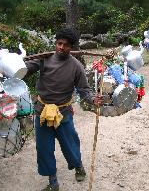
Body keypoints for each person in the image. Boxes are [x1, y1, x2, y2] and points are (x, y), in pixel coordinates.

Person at [25, 28, 103, 191]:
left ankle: (78, 165)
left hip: (63, 112)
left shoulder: (76, 66)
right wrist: (13, 65)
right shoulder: (44, 59)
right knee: (44, 147)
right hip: (42, 111)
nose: (61, 47)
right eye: (59, 43)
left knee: (70, 143)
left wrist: (93, 99)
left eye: (65, 45)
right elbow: (24, 69)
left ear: (71, 47)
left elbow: (84, 90)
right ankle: (53, 181)